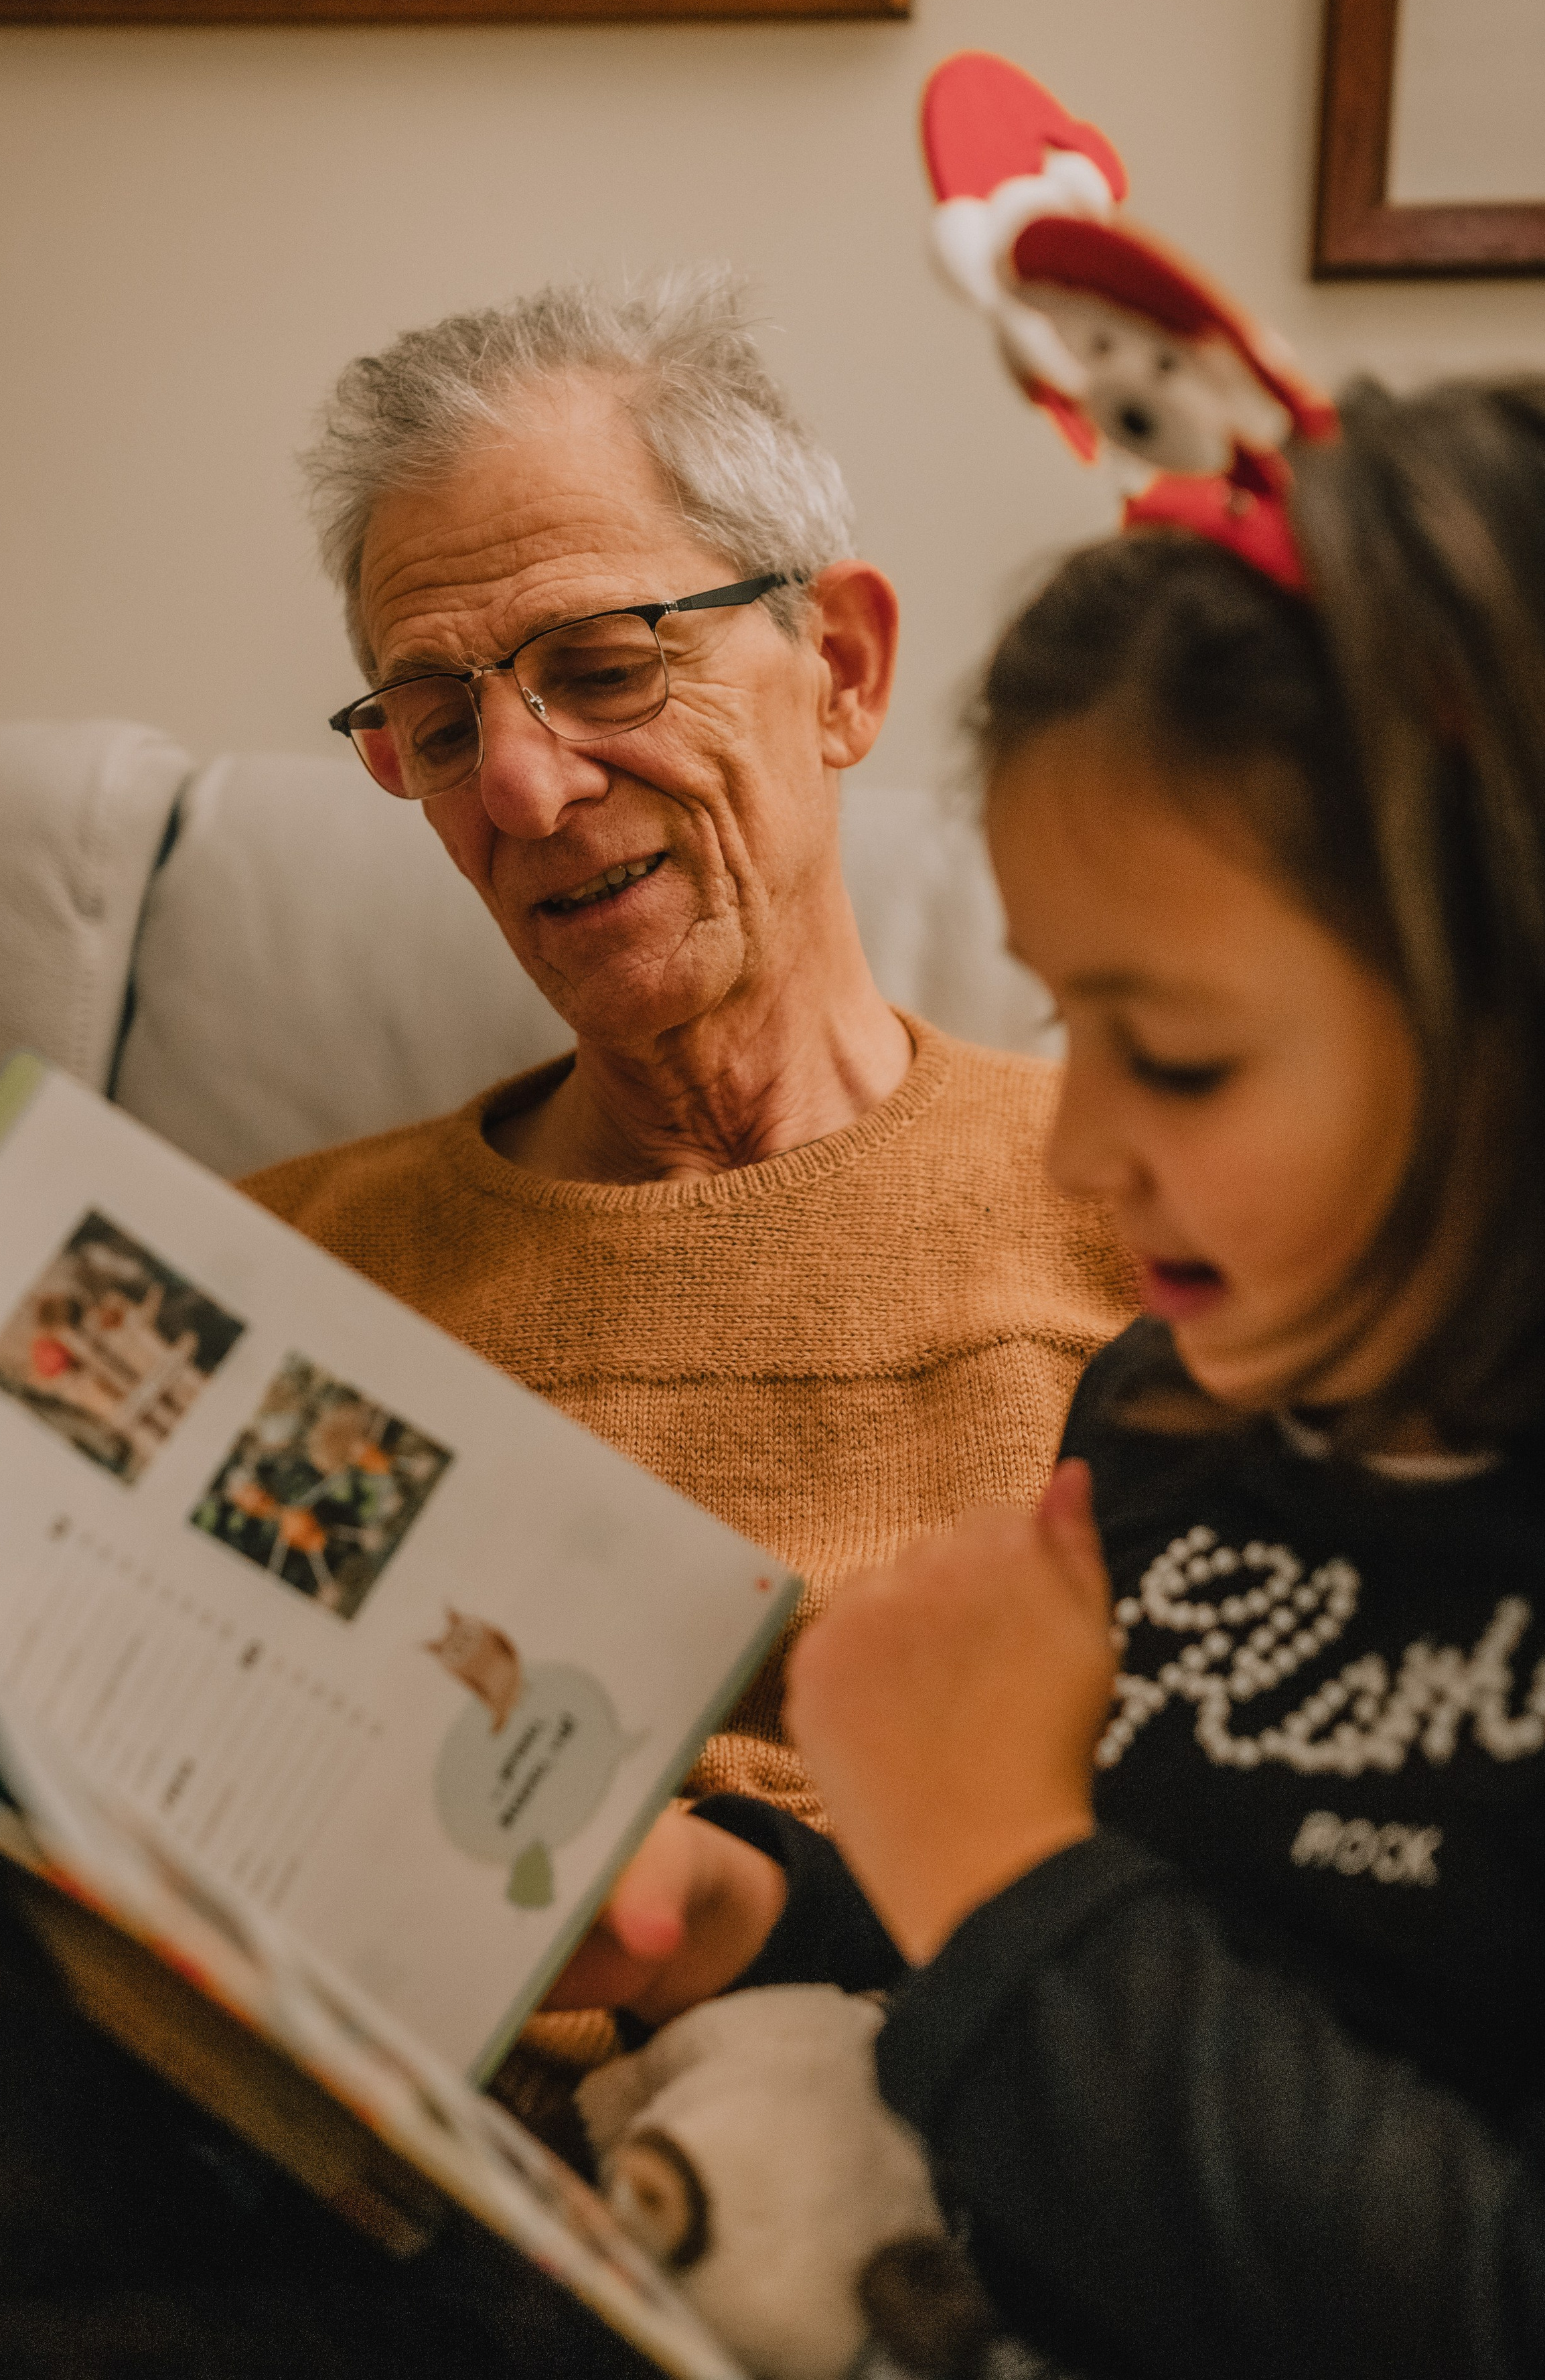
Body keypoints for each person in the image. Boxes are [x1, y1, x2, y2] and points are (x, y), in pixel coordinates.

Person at [557, 376, 1545, 2378]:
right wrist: (741, 1905)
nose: (1080, 1149)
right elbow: (1074, 1972)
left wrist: (1001, 1853)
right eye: (1062, 1015)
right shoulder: (1174, 1425)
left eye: (1176, 1053)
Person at [243, 268, 1131, 1847]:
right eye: (439, 726)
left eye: (601, 665)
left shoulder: (1156, 1204)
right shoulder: (275, 1274)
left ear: (842, 669)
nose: (519, 788)